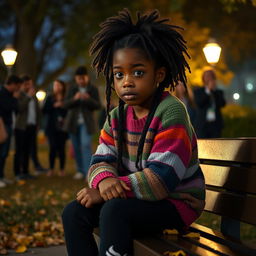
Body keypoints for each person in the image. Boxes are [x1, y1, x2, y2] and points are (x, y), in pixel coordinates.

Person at [62, 9, 206, 256]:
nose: (126, 81)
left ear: (158, 75)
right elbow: (99, 160)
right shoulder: (117, 116)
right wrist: (104, 180)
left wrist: (113, 186)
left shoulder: (171, 111)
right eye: (119, 74)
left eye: (137, 72)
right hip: (134, 197)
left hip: (175, 204)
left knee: (114, 210)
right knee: (74, 212)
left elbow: (161, 180)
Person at [63, 66, 101, 179]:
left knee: (85, 145)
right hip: (72, 122)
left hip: (86, 123)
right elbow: (65, 105)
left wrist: (88, 99)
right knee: (76, 146)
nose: (81, 80)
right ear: (75, 78)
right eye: (79, 78)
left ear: (87, 77)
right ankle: (80, 170)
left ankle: (88, 171)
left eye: (83, 78)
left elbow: (98, 105)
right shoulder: (72, 89)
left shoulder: (93, 88)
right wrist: (75, 98)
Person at [13, 75, 42, 180]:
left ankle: (25, 172)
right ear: (22, 85)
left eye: (30, 83)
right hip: (21, 127)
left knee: (27, 150)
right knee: (19, 150)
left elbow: (37, 111)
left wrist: (38, 123)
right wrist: (28, 96)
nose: (29, 86)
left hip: (32, 126)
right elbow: (19, 108)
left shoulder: (33, 96)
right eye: (27, 84)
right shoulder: (18, 95)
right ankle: (17, 173)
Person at [0, 75, 22, 188]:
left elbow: (16, 109)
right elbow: (8, 108)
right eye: (17, 86)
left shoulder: (9, 94)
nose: (17, 89)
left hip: (8, 125)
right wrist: (15, 99)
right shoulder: (2, 93)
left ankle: (2, 176)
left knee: (4, 153)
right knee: (1, 152)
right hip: (2, 125)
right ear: (12, 84)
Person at [43, 79, 68, 176]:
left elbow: (69, 111)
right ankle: (51, 168)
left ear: (62, 86)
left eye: (58, 85)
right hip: (51, 127)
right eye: (55, 85)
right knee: (52, 147)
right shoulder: (49, 97)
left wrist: (62, 105)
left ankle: (62, 169)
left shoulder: (66, 98)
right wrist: (54, 105)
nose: (56, 87)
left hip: (63, 128)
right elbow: (44, 110)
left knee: (62, 148)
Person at [194, 69, 226, 138]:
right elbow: (199, 103)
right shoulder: (198, 91)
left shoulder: (218, 92)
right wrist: (208, 91)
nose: (209, 78)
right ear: (203, 78)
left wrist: (214, 91)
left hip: (216, 125)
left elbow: (222, 104)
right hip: (203, 124)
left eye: (210, 76)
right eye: (206, 76)